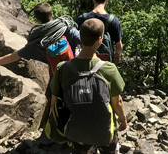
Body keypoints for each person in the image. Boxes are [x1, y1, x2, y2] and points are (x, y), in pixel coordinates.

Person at [50, 18, 127, 154]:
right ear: (100, 39)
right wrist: (123, 119)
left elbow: (54, 102)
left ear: (80, 36)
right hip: (105, 131)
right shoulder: (109, 69)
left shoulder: (62, 69)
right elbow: (117, 102)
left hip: (76, 131)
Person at [0, 2, 80, 72]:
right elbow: (89, 40)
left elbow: (13, 56)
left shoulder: (36, 43)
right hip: (77, 72)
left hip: (58, 80)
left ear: (37, 20)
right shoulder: (69, 29)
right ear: (52, 14)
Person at [76, 0, 123, 64]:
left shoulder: (82, 18)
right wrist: (116, 59)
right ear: (106, 0)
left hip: (84, 61)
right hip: (104, 63)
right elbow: (119, 46)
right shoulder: (113, 21)